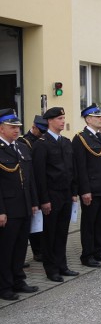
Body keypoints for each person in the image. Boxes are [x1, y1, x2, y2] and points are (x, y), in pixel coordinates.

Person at [32, 107, 79, 282]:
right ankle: (51, 269)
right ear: (50, 121)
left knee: (62, 233)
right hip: (51, 196)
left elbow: (72, 170)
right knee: (49, 235)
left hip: (66, 194)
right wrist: (44, 200)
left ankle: (62, 265)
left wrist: (74, 192)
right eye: (59, 118)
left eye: (63, 118)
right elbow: (39, 175)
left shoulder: (66, 142)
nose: (62, 121)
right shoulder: (41, 144)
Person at [0, 109, 39, 300]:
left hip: (24, 206)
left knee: (21, 246)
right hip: (8, 209)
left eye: (17, 127)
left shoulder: (22, 148)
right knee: (6, 249)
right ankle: (4, 286)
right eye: (12, 127)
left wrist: (33, 203)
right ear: (1, 128)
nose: (16, 130)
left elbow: (29, 178)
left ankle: (18, 280)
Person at [72, 103, 101, 268]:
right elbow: (80, 168)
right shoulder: (81, 138)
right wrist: (84, 190)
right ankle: (87, 254)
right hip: (91, 189)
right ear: (88, 119)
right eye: (98, 117)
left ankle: (98, 250)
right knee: (89, 223)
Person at [17, 115, 48, 263]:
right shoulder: (24, 142)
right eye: (40, 130)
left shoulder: (43, 139)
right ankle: (37, 250)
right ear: (34, 126)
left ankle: (42, 248)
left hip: (42, 185)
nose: (42, 133)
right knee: (34, 223)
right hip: (31, 185)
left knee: (42, 221)